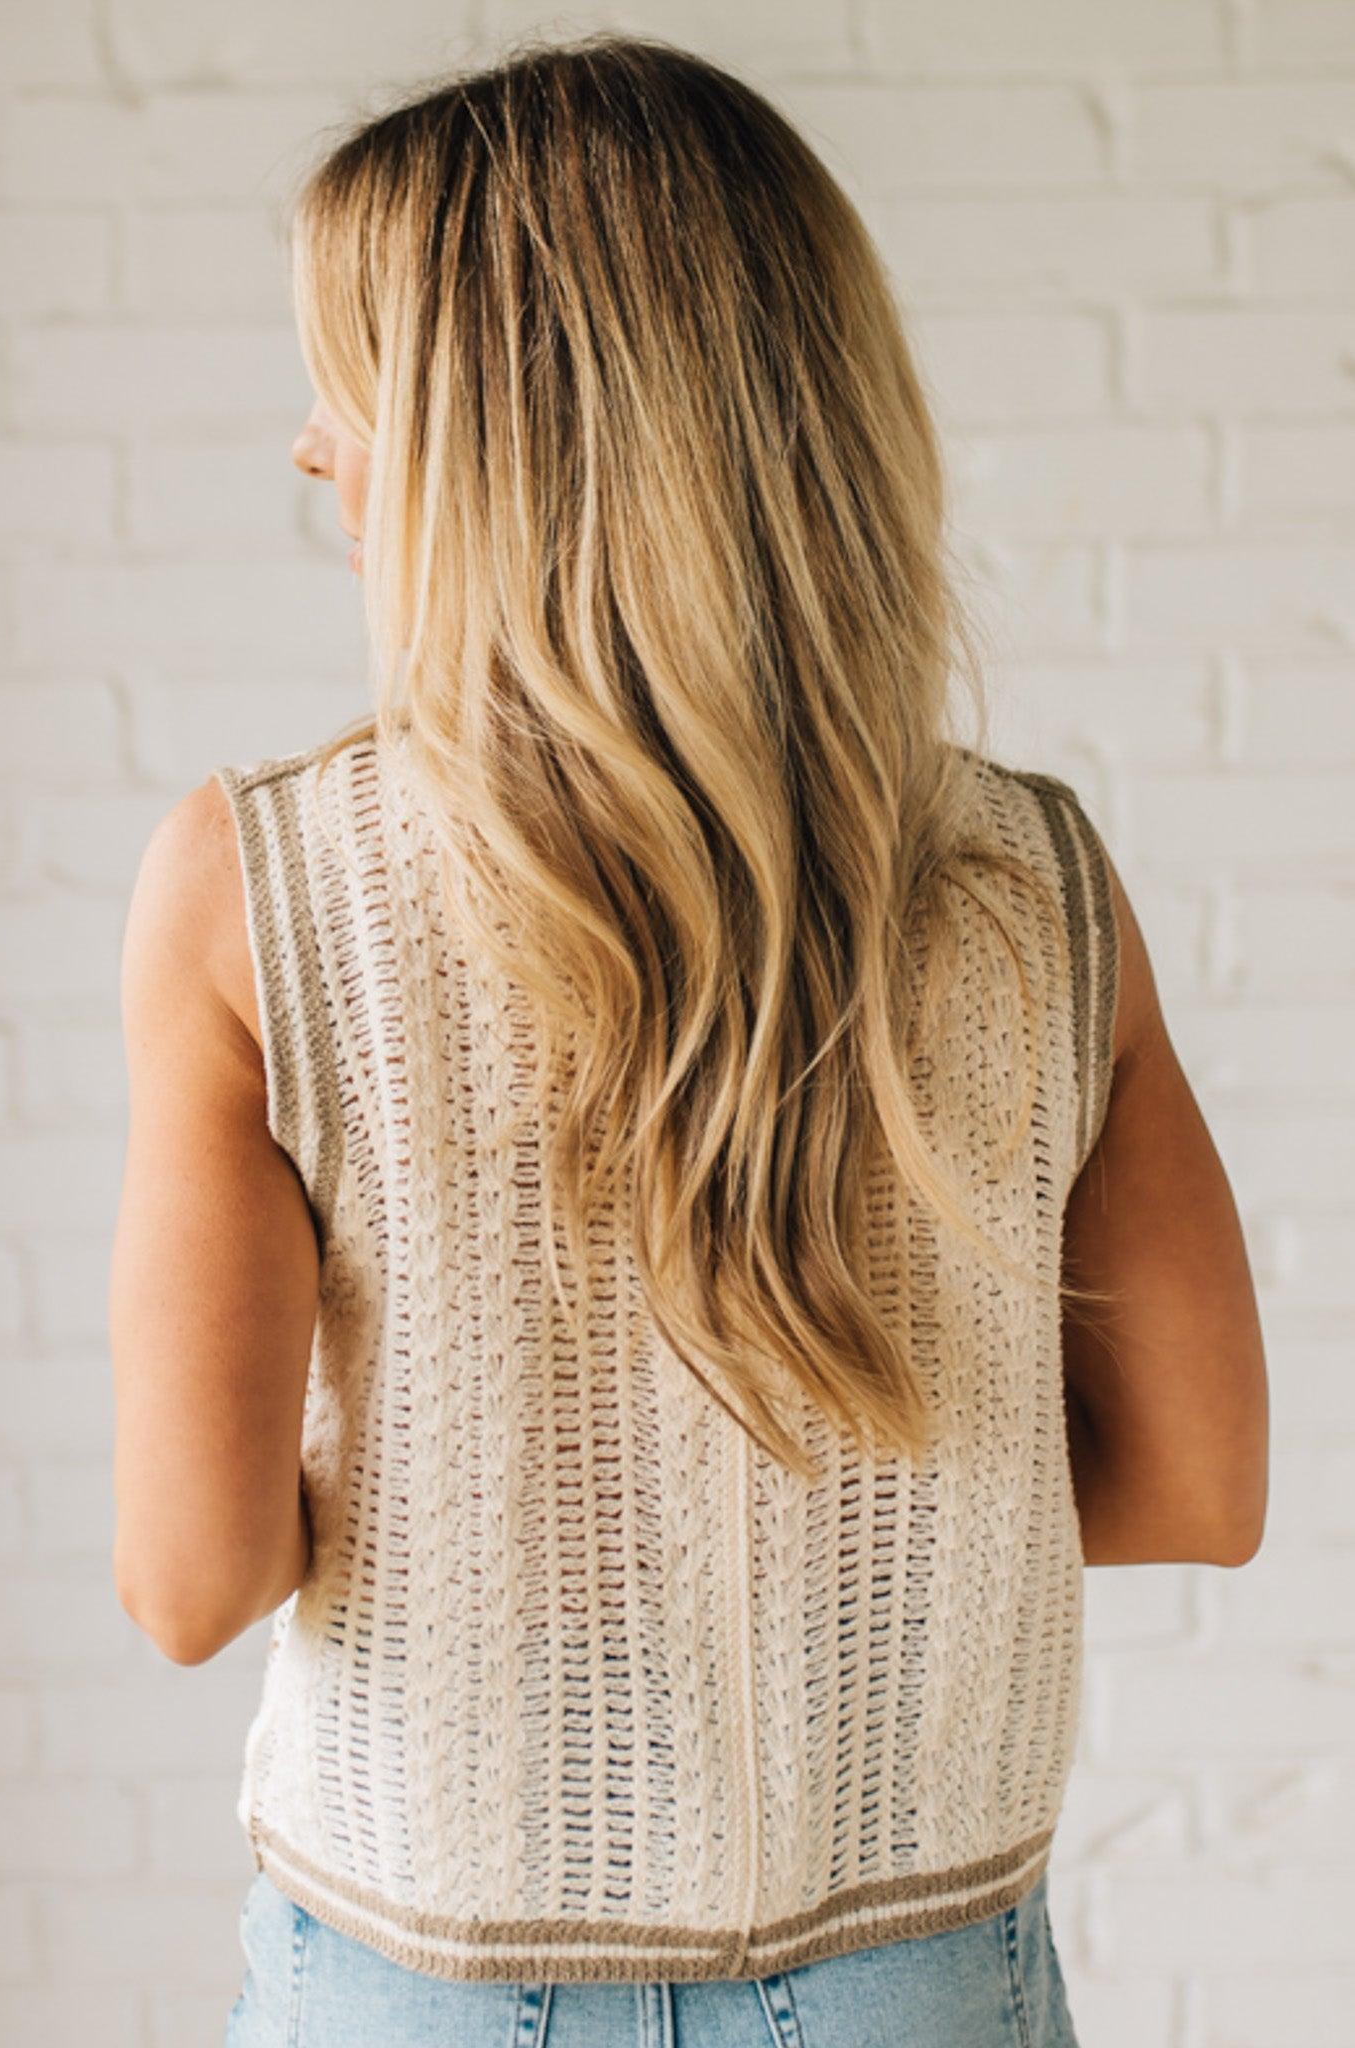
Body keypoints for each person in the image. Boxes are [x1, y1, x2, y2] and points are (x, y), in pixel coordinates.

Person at [107, 32, 1270, 2048]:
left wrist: (511, 1504)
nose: (312, 445)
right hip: (917, 1973)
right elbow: (1196, 1479)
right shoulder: (1029, 882)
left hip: (429, 1976)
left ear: (492, 437)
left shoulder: (262, 890)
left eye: (352, 376)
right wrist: (849, 1525)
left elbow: (190, 1576)